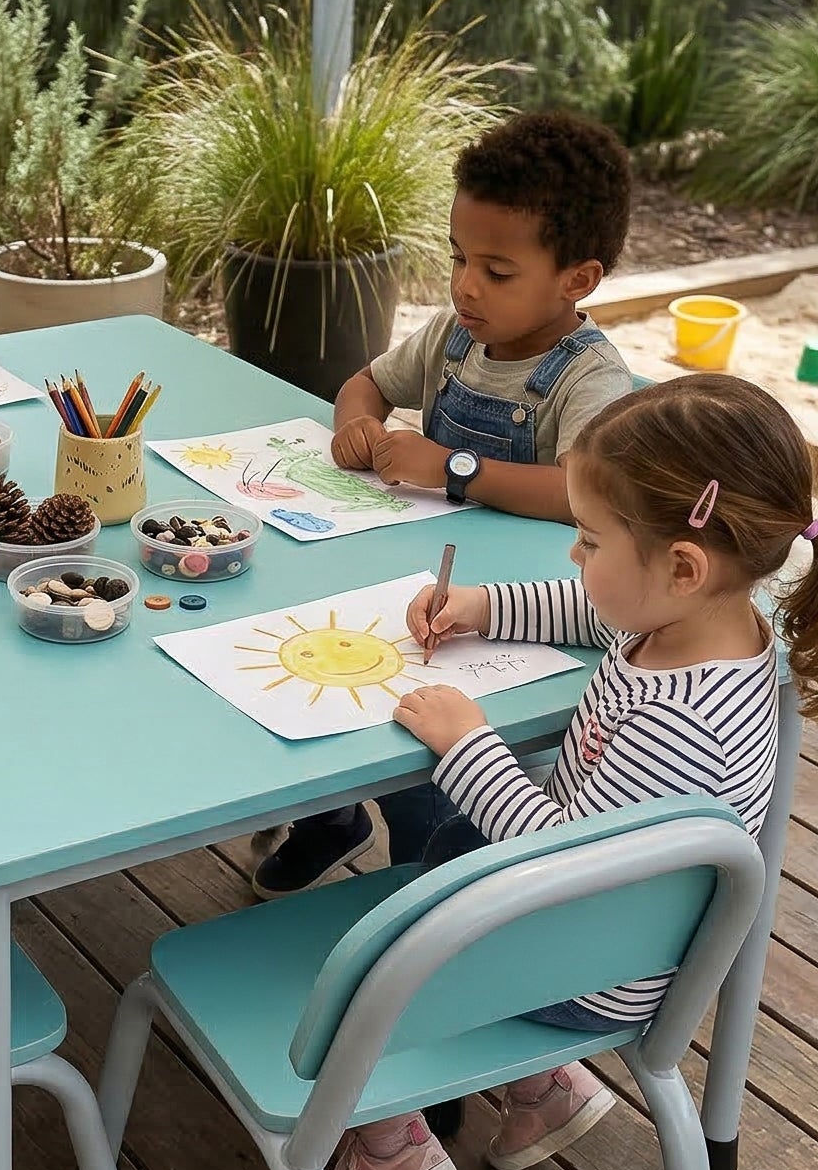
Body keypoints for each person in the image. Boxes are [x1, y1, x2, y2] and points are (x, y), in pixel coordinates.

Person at [326, 374, 818, 1170]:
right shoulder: (699, 623)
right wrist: (480, 606)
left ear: (682, 567)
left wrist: (467, 744)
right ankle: (546, 1092)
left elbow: (556, 853)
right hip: (614, 926)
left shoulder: (679, 720)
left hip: (593, 967)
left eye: (588, 540)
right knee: (445, 848)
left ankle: (390, 1146)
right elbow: (594, 616)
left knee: (400, 940)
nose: (574, 559)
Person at [252, 110, 637, 898]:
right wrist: (357, 426)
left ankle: (424, 899)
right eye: (459, 257)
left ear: (577, 279)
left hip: (519, 615)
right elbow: (366, 383)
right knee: (319, 659)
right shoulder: (451, 337)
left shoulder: (589, 377)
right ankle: (334, 818)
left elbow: (580, 491)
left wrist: (456, 470)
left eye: (497, 272)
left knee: (420, 749)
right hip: (421, 580)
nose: (465, 285)